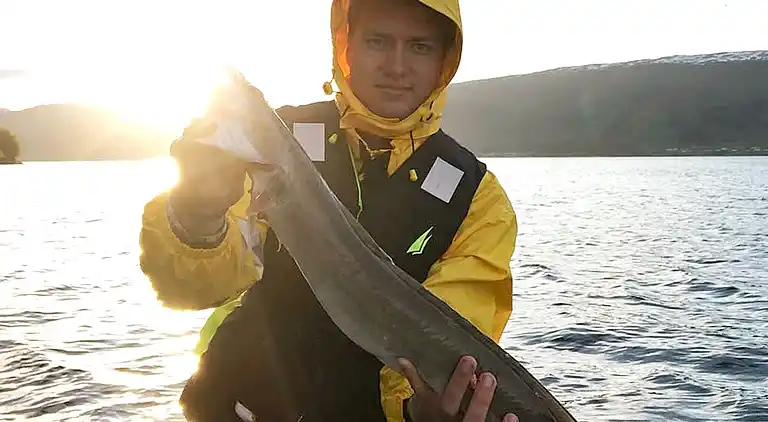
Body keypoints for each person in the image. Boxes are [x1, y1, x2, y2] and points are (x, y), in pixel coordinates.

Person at [138, 0, 519, 421]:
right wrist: (198, 214)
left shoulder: (478, 200)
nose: (397, 66)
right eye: (378, 41)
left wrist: (417, 410)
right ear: (345, 45)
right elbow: (186, 289)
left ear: (444, 60)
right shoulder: (271, 145)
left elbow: (454, 342)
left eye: (419, 46)